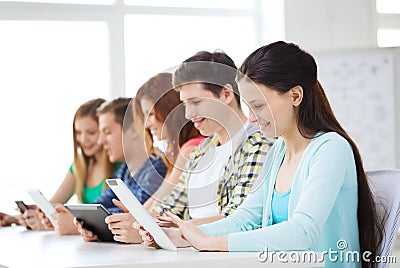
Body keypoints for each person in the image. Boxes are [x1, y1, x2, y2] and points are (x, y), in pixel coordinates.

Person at [139, 41, 384, 268]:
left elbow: (302, 231)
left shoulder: (331, 149)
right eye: (249, 106)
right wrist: (182, 236)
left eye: (258, 105)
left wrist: (209, 242)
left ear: (295, 96)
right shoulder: (278, 150)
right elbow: (245, 219)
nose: (252, 118)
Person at [81, 50, 273, 244]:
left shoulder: (257, 144)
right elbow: (171, 207)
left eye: (196, 102)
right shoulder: (201, 151)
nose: (189, 114)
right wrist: (137, 225)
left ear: (226, 94)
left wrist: (154, 229)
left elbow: (236, 219)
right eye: (185, 104)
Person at [41, 97, 168, 235]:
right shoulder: (124, 171)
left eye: (107, 132)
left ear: (131, 130)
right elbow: (101, 204)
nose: (101, 141)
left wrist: (78, 221)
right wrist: (71, 213)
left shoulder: (156, 169)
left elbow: (136, 216)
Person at [0, 98, 117, 230]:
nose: (83, 139)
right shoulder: (80, 166)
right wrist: (16, 218)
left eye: (91, 133)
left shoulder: (120, 168)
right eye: (78, 132)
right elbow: (51, 206)